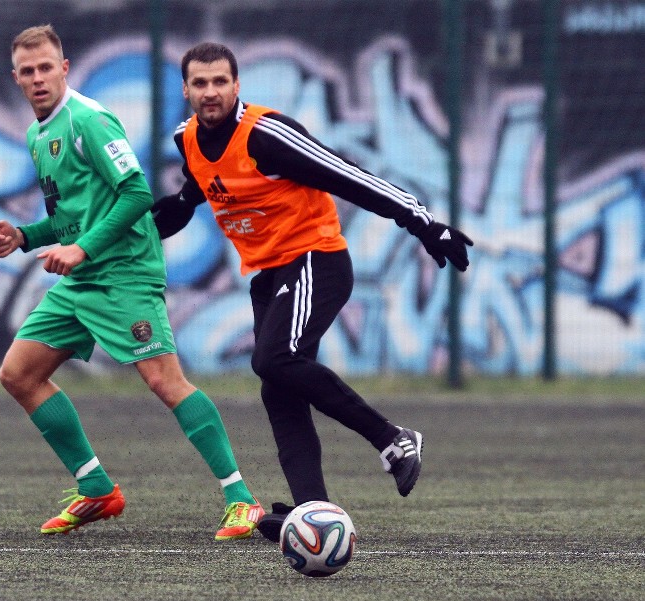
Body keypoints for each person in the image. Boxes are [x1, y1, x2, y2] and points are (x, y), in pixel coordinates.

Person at [152, 42, 473, 542]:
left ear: (237, 85)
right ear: (186, 90)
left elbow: (351, 178)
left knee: (274, 360)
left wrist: (427, 224)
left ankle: (393, 440)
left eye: (220, 81)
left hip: (315, 260)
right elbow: (191, 197)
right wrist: (145, 225)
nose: (210, 91)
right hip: (269, 275)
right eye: (200, 83)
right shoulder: (187, 138)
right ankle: (314, 515)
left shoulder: (266, 135)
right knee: (278, 390)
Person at [0, 26, 263, 540]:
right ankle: (97, 490)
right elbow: (72, 218)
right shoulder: (36, 134)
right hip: (83, 276)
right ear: (17, 80)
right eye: (28, 71)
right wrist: (23, 236)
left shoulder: (89, 120)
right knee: (18, 374)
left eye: (46, 67)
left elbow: (136, 193)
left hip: (124, 272)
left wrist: (82, 248)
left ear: (64, 68)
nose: (38, 77)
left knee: (165, 382)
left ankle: (241, 500)